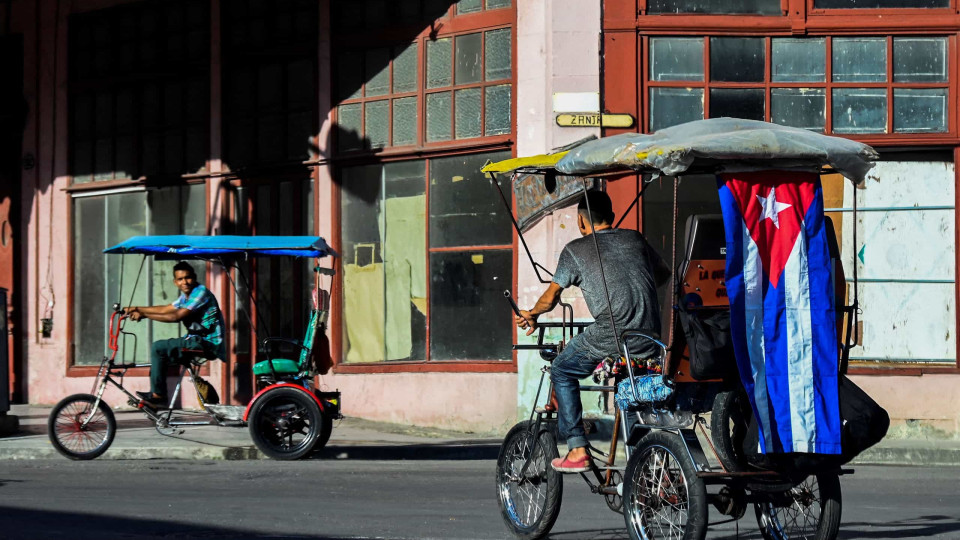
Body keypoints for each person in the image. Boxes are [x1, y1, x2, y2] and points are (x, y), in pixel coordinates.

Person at [516, 190, 670, 473]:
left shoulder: (576, 249)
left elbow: (550, 299)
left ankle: (577, 448)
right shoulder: (635, 239)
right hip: (650, 337)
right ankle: (648, 469)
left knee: (562, 369)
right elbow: (663, 274)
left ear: (580, 222)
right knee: (634, 394)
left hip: (612, 335)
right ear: (611, 218)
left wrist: (532, 314)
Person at [124, 261, 225, 407]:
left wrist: (143, 315)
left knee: (158, 347)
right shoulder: (186, 297)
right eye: (180, 279)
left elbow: (176, 316)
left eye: (188, 277)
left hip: (207, 343)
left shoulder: (200, 293)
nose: (185, 282)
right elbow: (167, 309)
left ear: (194, 277)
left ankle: (158, 395)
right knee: (162, 354)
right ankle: (156, 400)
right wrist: (136, 308)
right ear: (175, 282)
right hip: (196, 339)